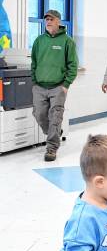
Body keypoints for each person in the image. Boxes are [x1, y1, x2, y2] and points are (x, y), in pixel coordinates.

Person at [31, 9, 78, 162]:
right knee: (39, 114)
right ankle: (55, 132)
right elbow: (34, 63)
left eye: (51, 19)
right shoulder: (39, 41)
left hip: (58, 86)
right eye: (46, 19)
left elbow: (73, 65)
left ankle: (51, 148)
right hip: (39, 86)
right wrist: (34, 81)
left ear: (59, 21)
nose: (48, 21)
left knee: (55, 116)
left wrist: (66, 84)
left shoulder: (67, 41)